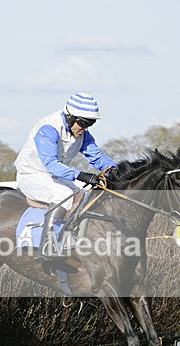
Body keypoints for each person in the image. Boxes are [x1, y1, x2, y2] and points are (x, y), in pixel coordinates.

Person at [14, 92, 117, 260]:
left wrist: (114, 170)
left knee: (85, 195)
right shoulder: (48, 128)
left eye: (91, 123)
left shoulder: (82, 133)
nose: (86, 128)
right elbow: (51, 165)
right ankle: (47, 245)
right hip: (31, 175)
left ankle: (72, 238)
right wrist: (81, 175)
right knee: (64, 195)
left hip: (54, 177)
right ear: (69, 117)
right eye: (84, 123)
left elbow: (96, 156)